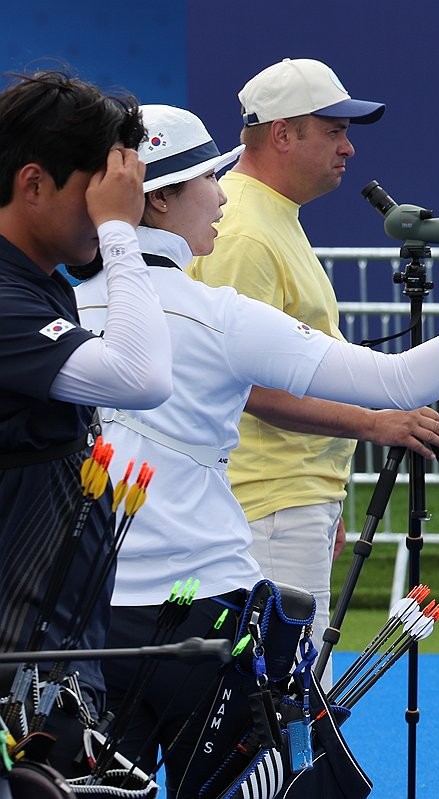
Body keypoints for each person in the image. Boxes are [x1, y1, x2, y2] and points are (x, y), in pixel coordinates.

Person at [73, 104, 439, 796]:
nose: (222, 194)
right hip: (207, 617)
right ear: (156, 198)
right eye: (203, 180)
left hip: (90, 624)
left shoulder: (59, 309)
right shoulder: (214, 315)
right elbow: (400, 380)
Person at [187, 58, 439, 665]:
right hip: (263, 502)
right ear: (283, 133)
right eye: (333, 130)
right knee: (283, 716)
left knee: (281, 710)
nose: (349, 148)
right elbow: (244, 384)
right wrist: (374, 423)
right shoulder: (247, 230)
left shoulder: (264, 215)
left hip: (282, 499)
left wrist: (321, 500)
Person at [0, 69, 171, 775]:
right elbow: (143, 377)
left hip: (48, 648)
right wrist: (122, 237)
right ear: (33, 182)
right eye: (97, 195)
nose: (113, 213)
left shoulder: (42, 285)